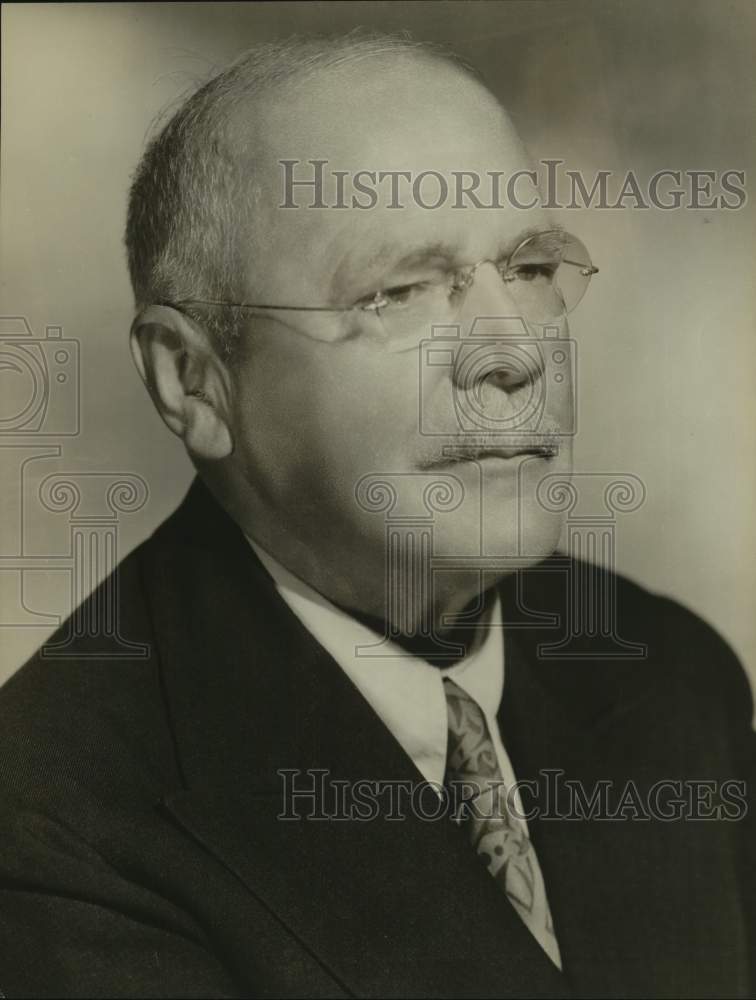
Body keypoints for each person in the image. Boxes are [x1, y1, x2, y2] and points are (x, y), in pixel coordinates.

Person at [0, 32, 753, 998]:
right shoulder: (55, 823)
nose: (513, 354)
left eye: (527, 271)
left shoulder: (673, 676)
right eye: (399, 292)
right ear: (193, 381)